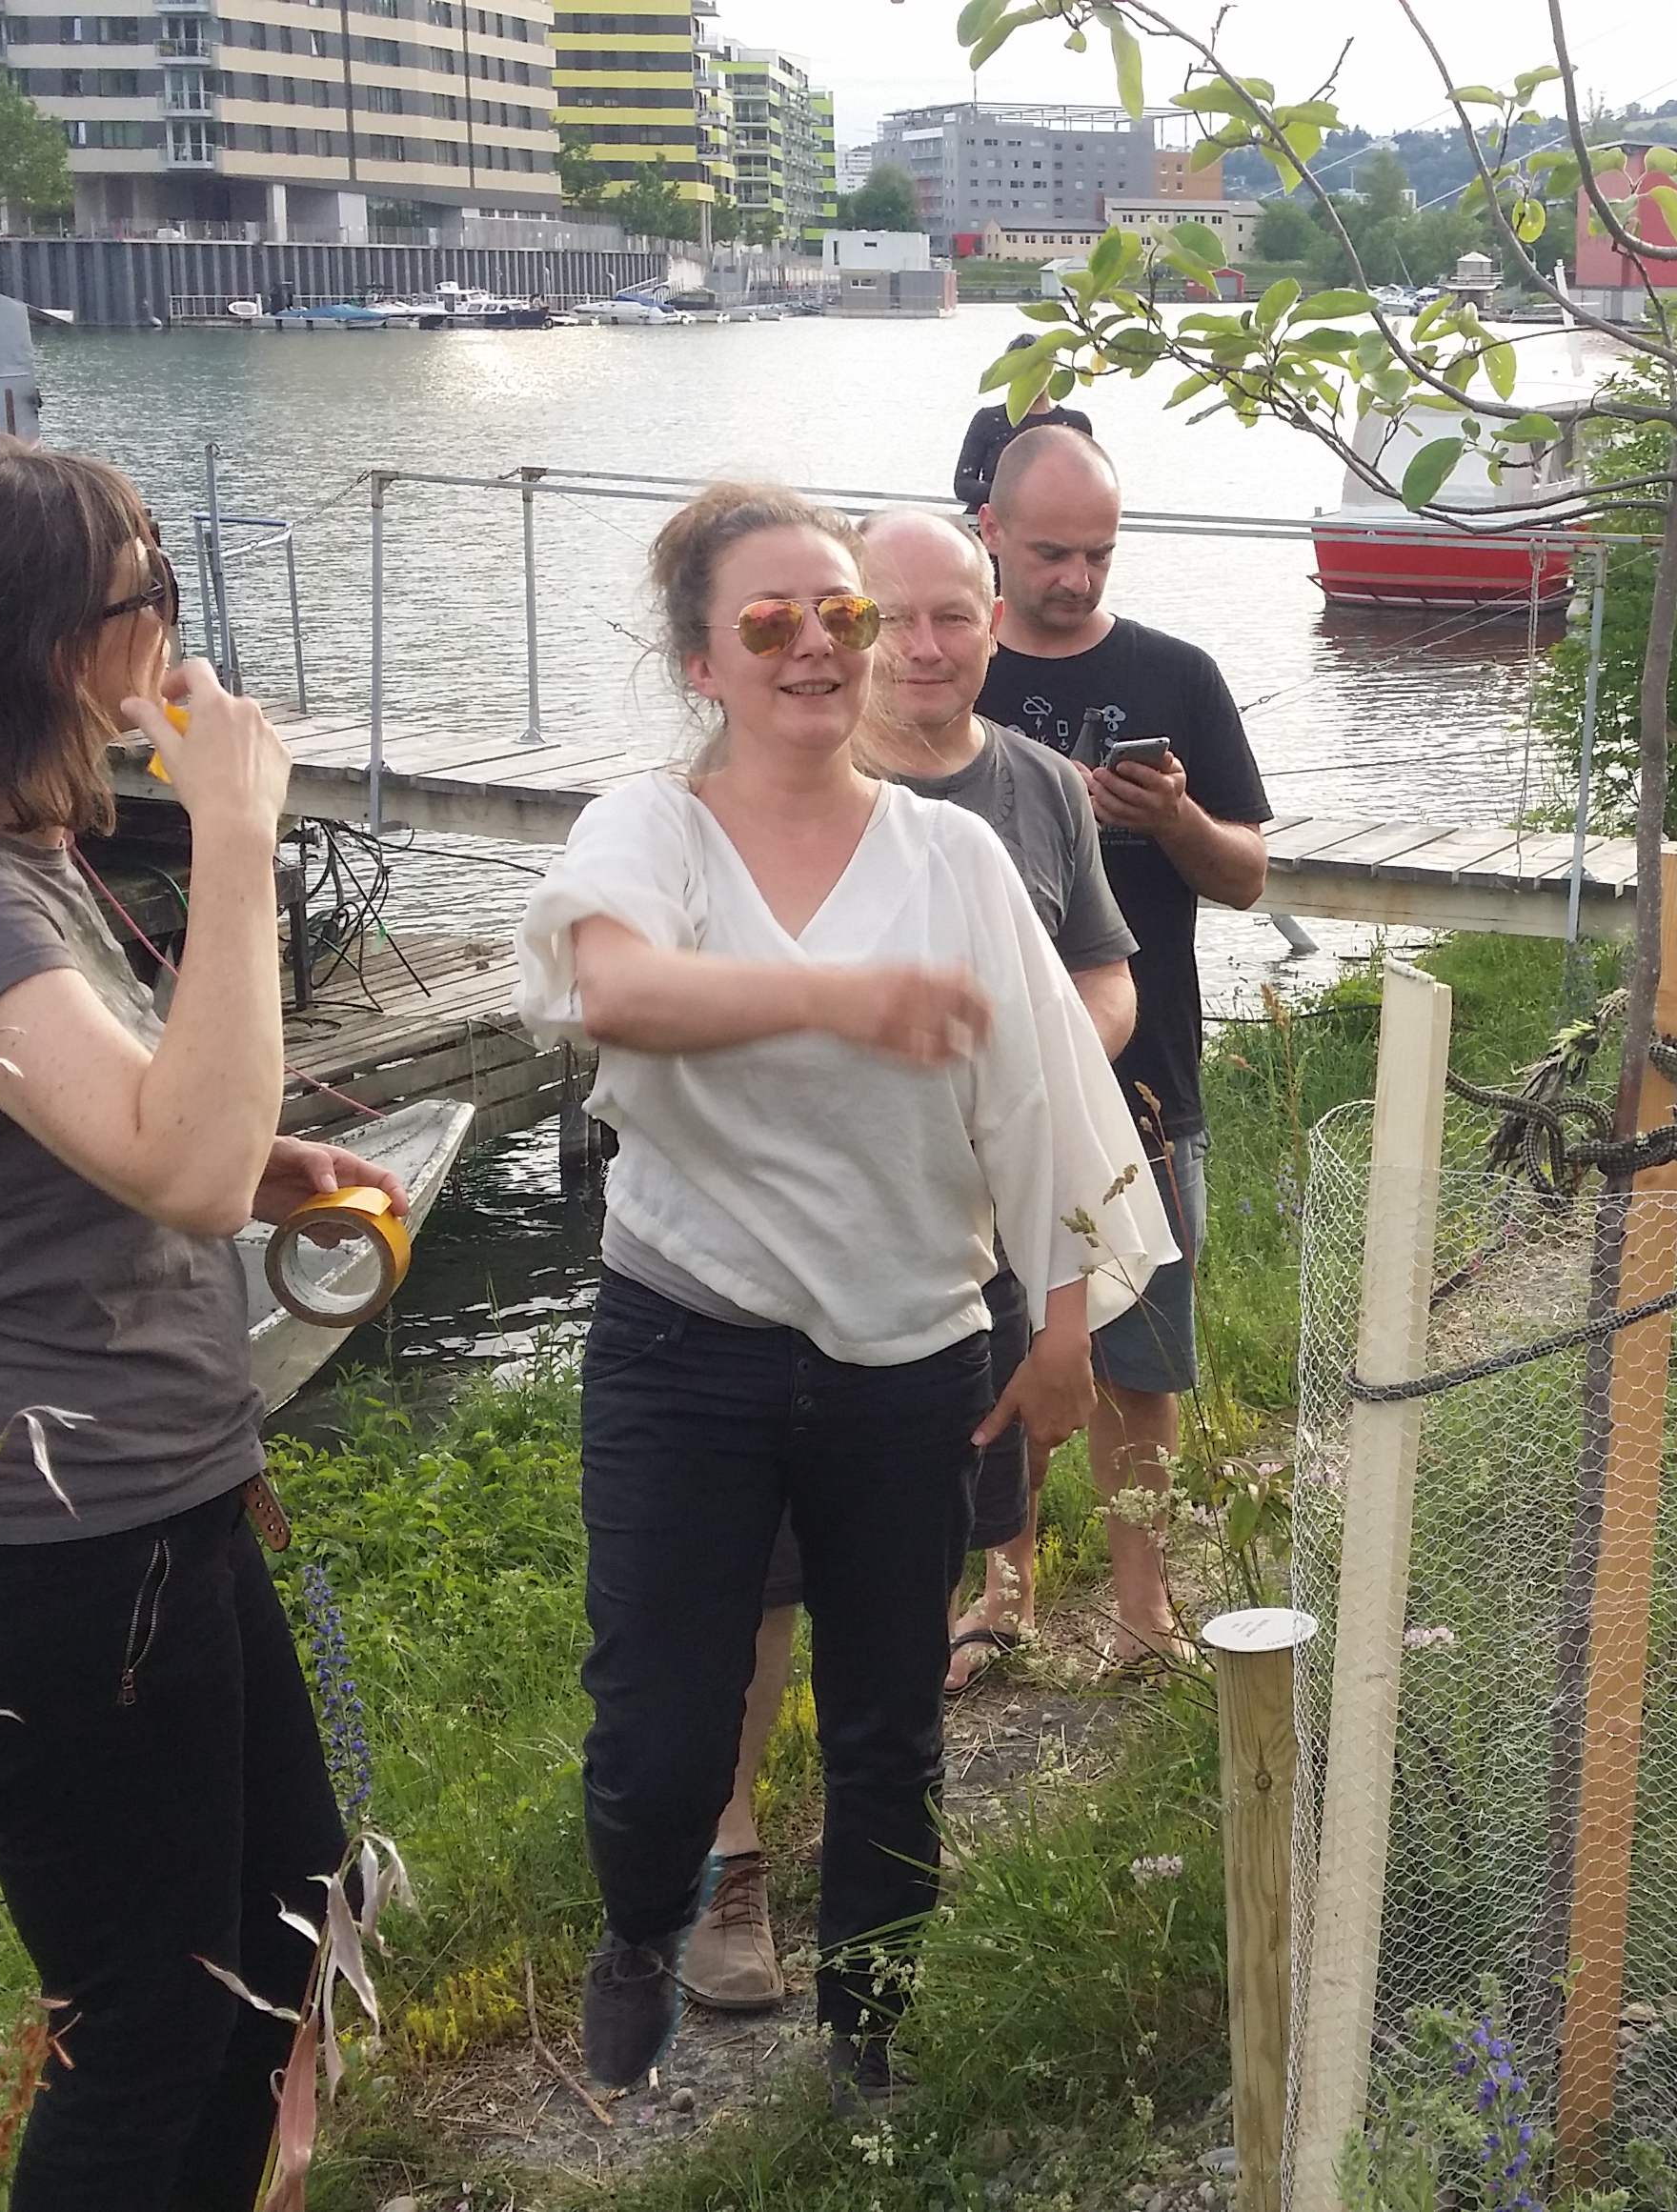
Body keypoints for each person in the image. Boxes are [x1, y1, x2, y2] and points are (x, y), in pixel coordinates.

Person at [0, 435, 406, 2212]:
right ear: (63, 645)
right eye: (156, 593)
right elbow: (179, 1169)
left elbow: (141, 1139)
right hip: (37, 1554)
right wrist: (236, 825)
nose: (175, 632)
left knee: (278, 1944)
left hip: (142, 1511)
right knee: (148, 2024)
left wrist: (247, 1158)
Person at [511, 483, 1167, 2105]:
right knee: (658, 1722)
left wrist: (1063, 1325)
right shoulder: (649, 829)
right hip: (686, 1341)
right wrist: (837, 998)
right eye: (769, 620)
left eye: (843, 614)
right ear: (701, 661)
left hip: (910, 1350)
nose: (817, 644)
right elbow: (613, 990)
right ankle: (643, 1925)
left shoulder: (954, 857)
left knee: (889, 1723)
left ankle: (866, 2027)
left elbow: (1040, 1098)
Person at [676, 505, 1142, 2012]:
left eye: (953, 617)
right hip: (759, 1289)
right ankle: (731, 1867)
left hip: (956, 1258)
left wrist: (1030, 1063)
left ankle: (876, 1929)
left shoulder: (1030, 798)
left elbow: (1094, 992)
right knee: (750, 1589)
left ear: (990, 627)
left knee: (903, 1591)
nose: (922, 648)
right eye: (896, 616)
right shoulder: (730, 811)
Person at [974, 425, 1272, 1670]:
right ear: (991, 533)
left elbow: (1248, 876)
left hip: (1146, 1076)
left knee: (1140, 1357)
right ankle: (1004, 1592)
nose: (1078, 578)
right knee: (991, 1348)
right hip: (973, 1090)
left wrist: (1176, 816)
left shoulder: (1178, 674)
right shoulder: (941, 670)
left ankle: (1145, 1612)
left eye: (1099, 553)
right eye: (1052, 552)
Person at [952, 338, 1096, 510]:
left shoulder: (1076, 424)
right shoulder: (988, 420)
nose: (1030, 376)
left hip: (1053, 519)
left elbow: (1087, 485)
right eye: (1021, 368)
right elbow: (963, 484)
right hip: (996, 519)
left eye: (1037, 367)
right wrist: (1019, 497)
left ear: (1052, 369)